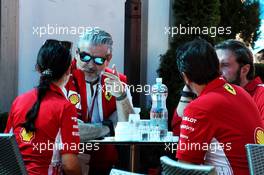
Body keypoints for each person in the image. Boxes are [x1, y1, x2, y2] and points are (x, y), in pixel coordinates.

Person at [175, 38, 264, 174]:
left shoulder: (199, 107)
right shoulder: (241, 92)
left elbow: (185, 168)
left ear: (185, 77)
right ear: (216, 67)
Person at [4, 39, 81, 175]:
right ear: (69, 70)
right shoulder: (66, 108)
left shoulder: (19, 101)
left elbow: (6, 150)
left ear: (38, 68)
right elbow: (70, 166)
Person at [66, 29, 134, 174]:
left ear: (108, 59)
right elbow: (71, 132)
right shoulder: (63, 77)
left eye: (98, 60)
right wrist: (109, 127)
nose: (90, 65)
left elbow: (128, 127)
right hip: (70, 164)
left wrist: (121, 96)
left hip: (105, 164)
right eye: (84, 57)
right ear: (76, 54)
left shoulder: (117, 81)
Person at [215, 40, 264, 124]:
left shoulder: (261, 95)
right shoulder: (216, 94)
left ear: (244, 70)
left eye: (225, 65)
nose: (217, 71)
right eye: (215, 65)